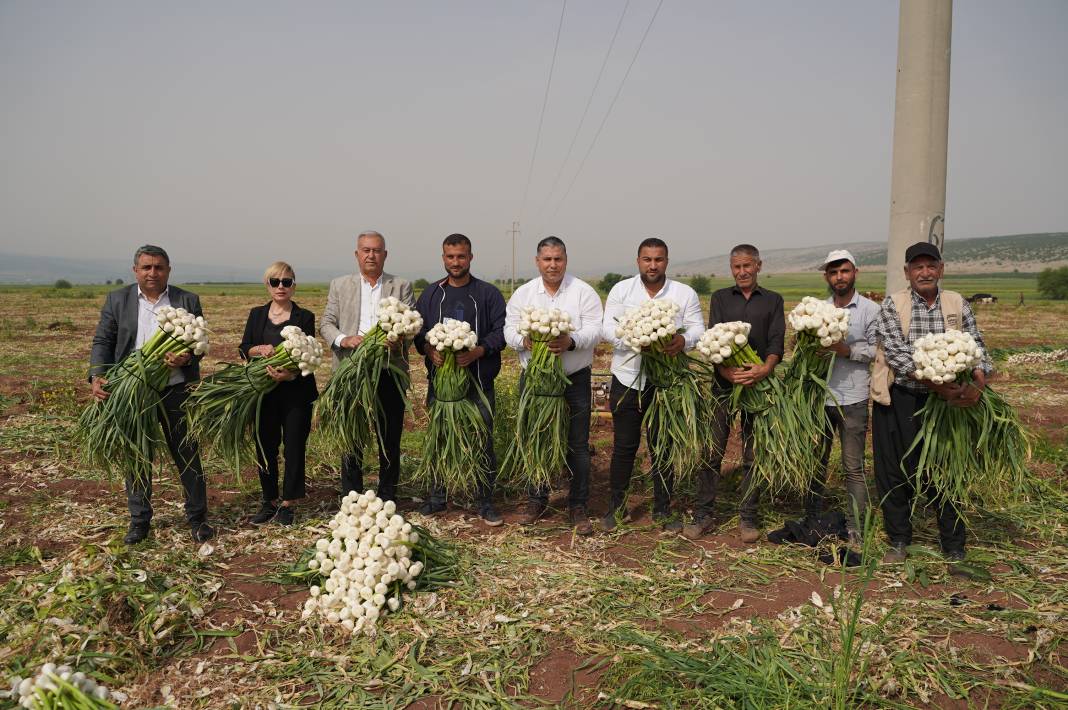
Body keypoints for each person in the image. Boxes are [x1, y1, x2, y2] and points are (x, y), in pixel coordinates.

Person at [871, 242, 992, 573]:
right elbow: (896, 353)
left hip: (950, 403)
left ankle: (953, 546)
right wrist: (940, 386)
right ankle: (899, 541)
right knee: (894, 470)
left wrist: (977, 387)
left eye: (930, 266)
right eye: (917, 267)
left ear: (940, 269)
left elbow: (978, 347)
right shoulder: (893, 304)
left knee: (947, 468)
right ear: (907, 272)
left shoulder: (957, 304)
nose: (924, 272)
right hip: (901, 398)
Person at [89, 245, 214, 544]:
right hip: (133, 391)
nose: (152, 273)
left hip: (175, 390)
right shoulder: (118, 299)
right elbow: (103, 340)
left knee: (187, 454)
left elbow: (198, 346)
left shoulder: (187, 300)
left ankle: (198, 519)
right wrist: (97, 375)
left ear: (168, 269)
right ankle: (140, 521)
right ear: (135, 270)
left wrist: (186, 358)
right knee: (137, 455)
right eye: (146, 267)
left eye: (158, 267)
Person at [600, 238, 704, 532]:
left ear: (667, 262)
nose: (653, 265)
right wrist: (635, 341)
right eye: (647, 259)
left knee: (663, 446)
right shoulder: (622, 290)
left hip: (667, 383)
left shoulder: (684, 293)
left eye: (658, 259)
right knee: (624, 447)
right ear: (638, 261)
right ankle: (616, 508)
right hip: (627, 378)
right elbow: (608, 328)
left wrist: (683, 340)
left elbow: (697, 327)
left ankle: (662, 509)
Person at [683, 244, 785, 542]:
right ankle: (704, 514)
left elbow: (777, 339)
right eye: (736, 267)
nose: (742, 271)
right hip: (723, 386)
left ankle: (749, 518)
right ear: (732, 269)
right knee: (711, 450)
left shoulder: (773, 300)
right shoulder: (720, 298)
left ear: (758, 266)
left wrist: (764, 369)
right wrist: (727, 372)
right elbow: (713, 336)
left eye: (747, 266)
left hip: (759, 386)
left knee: (753, 454)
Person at [504, 236, 604, 535]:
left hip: (574, 379)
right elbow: (508, 330)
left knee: (577, 444)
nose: (552, 265)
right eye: (547, 259)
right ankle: (537, 499)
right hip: (536, 381)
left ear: (566, 260)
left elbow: (596, 330)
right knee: (537, 438)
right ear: (538, 262)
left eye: (558, 259)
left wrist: (570, 341)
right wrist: (524, 341)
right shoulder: (524, 294)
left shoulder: (583, 292)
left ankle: (578, 505)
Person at [413, 233, 507, 526]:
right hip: (441, 388)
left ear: (470, 257)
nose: (456, 262)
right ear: (443, 258)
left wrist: (479, 351)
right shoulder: (431, 294)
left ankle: (485, 501)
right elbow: (418, 331)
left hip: (478, 384)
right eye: (450, 257)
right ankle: (438, 498)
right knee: (439, 440)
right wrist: (429, 349)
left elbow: (501, 332)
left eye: (461, 256)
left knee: (481, 440)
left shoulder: (487, 293)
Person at [320, 231, 415, 503]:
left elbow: (411, 325)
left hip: (389, 371)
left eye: (376, 250)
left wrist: (399, 341)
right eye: (366, 250)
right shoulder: (340, 285)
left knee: (389, 435)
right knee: (352, 433)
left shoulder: (401, 286)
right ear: (357, 254)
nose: (371, 255)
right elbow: (326, 323)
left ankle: (387, 496)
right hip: (351, 369)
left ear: (385, 254)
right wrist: (344, 339)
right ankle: (351, 496)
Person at [800, 250, 879, 545]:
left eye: (844, 271)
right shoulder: (817, 309)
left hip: (854, 398)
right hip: (820, 397)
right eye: (833, 273)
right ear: (827, 277)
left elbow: (876, 351)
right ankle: (811, 519)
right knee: (814, 463)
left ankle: (856, 529)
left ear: (854, 272)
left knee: (853, 467)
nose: (839, 277)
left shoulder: (870, 310)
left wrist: (846, 351)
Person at [239, 262, 318, 526]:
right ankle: (268, 499)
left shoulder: (304, 317)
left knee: (294, 446)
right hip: (263, 392)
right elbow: (244, 348)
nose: (281, 287)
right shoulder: (257, 314)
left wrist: (291, 374)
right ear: (267, 285)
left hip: (296, 391)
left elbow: (308, 355)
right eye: (275, 282)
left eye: (287, 281)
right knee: (265, 446)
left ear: (294, 285)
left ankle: (288, 503)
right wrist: (258, 350)